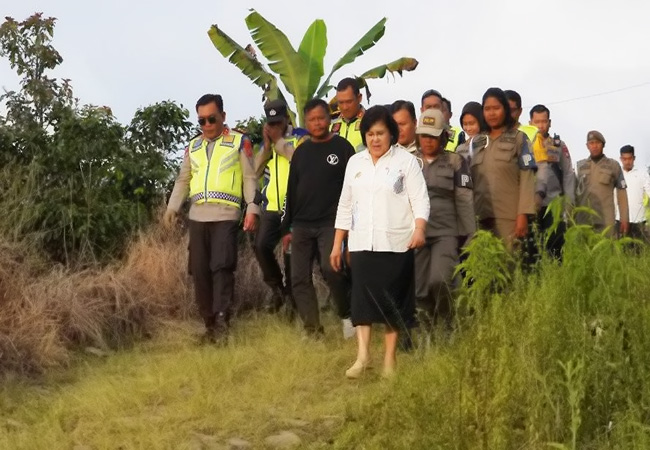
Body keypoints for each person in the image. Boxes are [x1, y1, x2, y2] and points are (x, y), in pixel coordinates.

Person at [330, 105, 429, 379]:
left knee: (392, 304)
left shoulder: (406, 162)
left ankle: (389, 359)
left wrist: (419, 228)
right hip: (362, 242)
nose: (375, 139)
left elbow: (420, 199)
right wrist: (338, 243)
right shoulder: (355, 163)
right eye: (370, 133)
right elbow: (345, 204)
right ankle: (362, 357)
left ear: (391, 134)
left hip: (397, 242)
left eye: (381, 133)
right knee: (361, 302)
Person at [164, 94, 260, 343]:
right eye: (202, 121)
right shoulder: (193, 146)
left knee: (221, 267)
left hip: (226, 215)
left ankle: (222, 322)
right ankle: (208, 326)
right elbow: (183, 179)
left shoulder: (239, 141)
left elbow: (250, 177)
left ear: (223, 116)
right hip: (198, 216)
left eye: (211, 119)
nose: (207, 125)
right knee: (200, 271)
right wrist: (172, 208)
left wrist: (252, 207)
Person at [281, 98, 355, 338]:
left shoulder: (343, 148)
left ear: (329, 118)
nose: (317, 123)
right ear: (306, 122)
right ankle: (312, 330)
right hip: (301, 224)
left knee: (331, 268)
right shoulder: (301, 152)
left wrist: (353, 226)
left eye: (321, 118)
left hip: (331, 222)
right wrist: (287, 228)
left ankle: (347, 314)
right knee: (298, 278)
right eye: (311, 119)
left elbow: (355, 188)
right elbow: (292, 190)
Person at [413, 108, 475, 336]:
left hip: (445, 233)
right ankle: (426, 334)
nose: (427, 141)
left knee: (439, 281)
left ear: (443, 136)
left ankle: (449, 322)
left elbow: (465, 199)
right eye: (424, 135)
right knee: (419, 289)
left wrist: (470, 235)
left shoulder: (456, 162)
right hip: (416, 234)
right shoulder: (410, 162)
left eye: (432, 136)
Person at [253, 99, 308, 314]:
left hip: (295, 208)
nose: (275, 126)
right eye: (271, 123)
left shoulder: (301, 137)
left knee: (291, 258)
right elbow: (254, 173)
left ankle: (294, 306)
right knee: (261, 246)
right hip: (272, 207)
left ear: (287, 118)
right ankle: (278, 289)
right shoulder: (267, 143)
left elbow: (301, 164)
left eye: (279, 121)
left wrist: (279, 143)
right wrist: (267, 147)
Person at [470, 87, 537, 250]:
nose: (491, 113)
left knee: (509, 269)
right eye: (487, 109)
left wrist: (523, 215)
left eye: (496, 108)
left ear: (505, 110)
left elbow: (528, 178)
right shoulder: (476, 141)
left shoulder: (519, 138)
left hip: (509, 218)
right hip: (481, 218)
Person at [529, 104, 576, 259]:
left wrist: (568, 204)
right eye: (537, 122)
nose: (541, 125)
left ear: (550, 122)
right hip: (532, 203)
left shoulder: (558, 145)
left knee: (555, 248)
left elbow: (569, 174)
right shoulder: (525, 145)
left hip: (554, 203)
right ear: (531, 123)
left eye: (544, 121)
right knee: (532, 249)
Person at [575, 131, 629, 236]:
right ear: (587, 146)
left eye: (597, 143)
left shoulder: (613, 165)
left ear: (603, 144)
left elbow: (622, 194)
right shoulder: (580, 166)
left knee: (606, 250)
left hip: (605, 221)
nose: (594, 146)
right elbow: (573, 192)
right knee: (582, 251)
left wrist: (624, 219)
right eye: (591, 143)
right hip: (583, 220)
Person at [615, 145, 650, 241]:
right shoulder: (617, 175)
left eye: (630, 158)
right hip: (620, 219)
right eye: (624, 159)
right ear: (621, 159)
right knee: (622, 250)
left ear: (634, 158)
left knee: (638, 251)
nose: (627, 162)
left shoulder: (642, 174)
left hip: (638, 220)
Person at [330, 78, 365, 152]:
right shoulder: (330, 123)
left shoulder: (371, 121)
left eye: (349, 102)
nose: (345, 107)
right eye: (341, 102)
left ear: (359, 98)